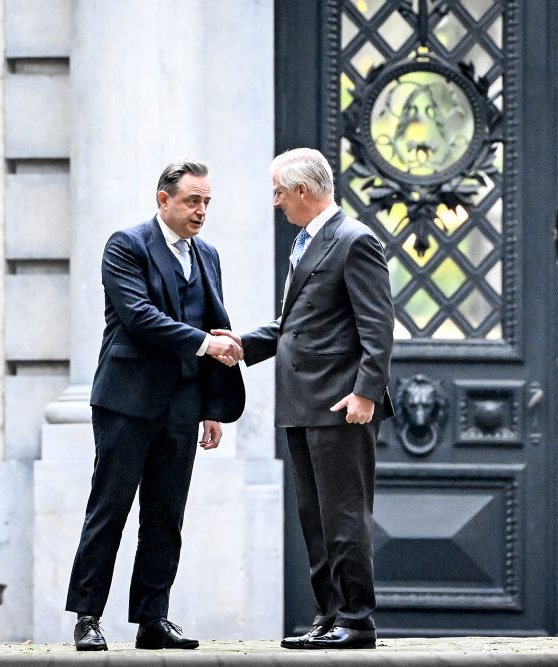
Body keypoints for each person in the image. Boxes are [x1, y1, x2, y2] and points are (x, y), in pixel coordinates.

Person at [213, 147, 394, 650]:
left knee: (343, 516)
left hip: (340, 405)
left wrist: (365, 394)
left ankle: (357, 621)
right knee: (314, 518)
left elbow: (378, 329)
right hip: (302, 404)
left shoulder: (354, 241)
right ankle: (329, 613)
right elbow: (295, 324)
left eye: (277, 192)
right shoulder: (307, 242)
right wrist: (241, 345)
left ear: (302, 191)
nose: (275, 202)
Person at [64, 158, 246, 652]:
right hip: (127, 400)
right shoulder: (126, 245)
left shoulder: (207, 254)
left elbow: (214, 322)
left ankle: (152, 616)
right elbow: (140, 316)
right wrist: (207, 346)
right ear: (163, 200)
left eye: (207, 201)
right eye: (192, 200)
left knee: (166, 515)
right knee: (110, 508)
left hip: (183, 403)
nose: (201, 210)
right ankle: (87, 616)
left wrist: (212, 407)